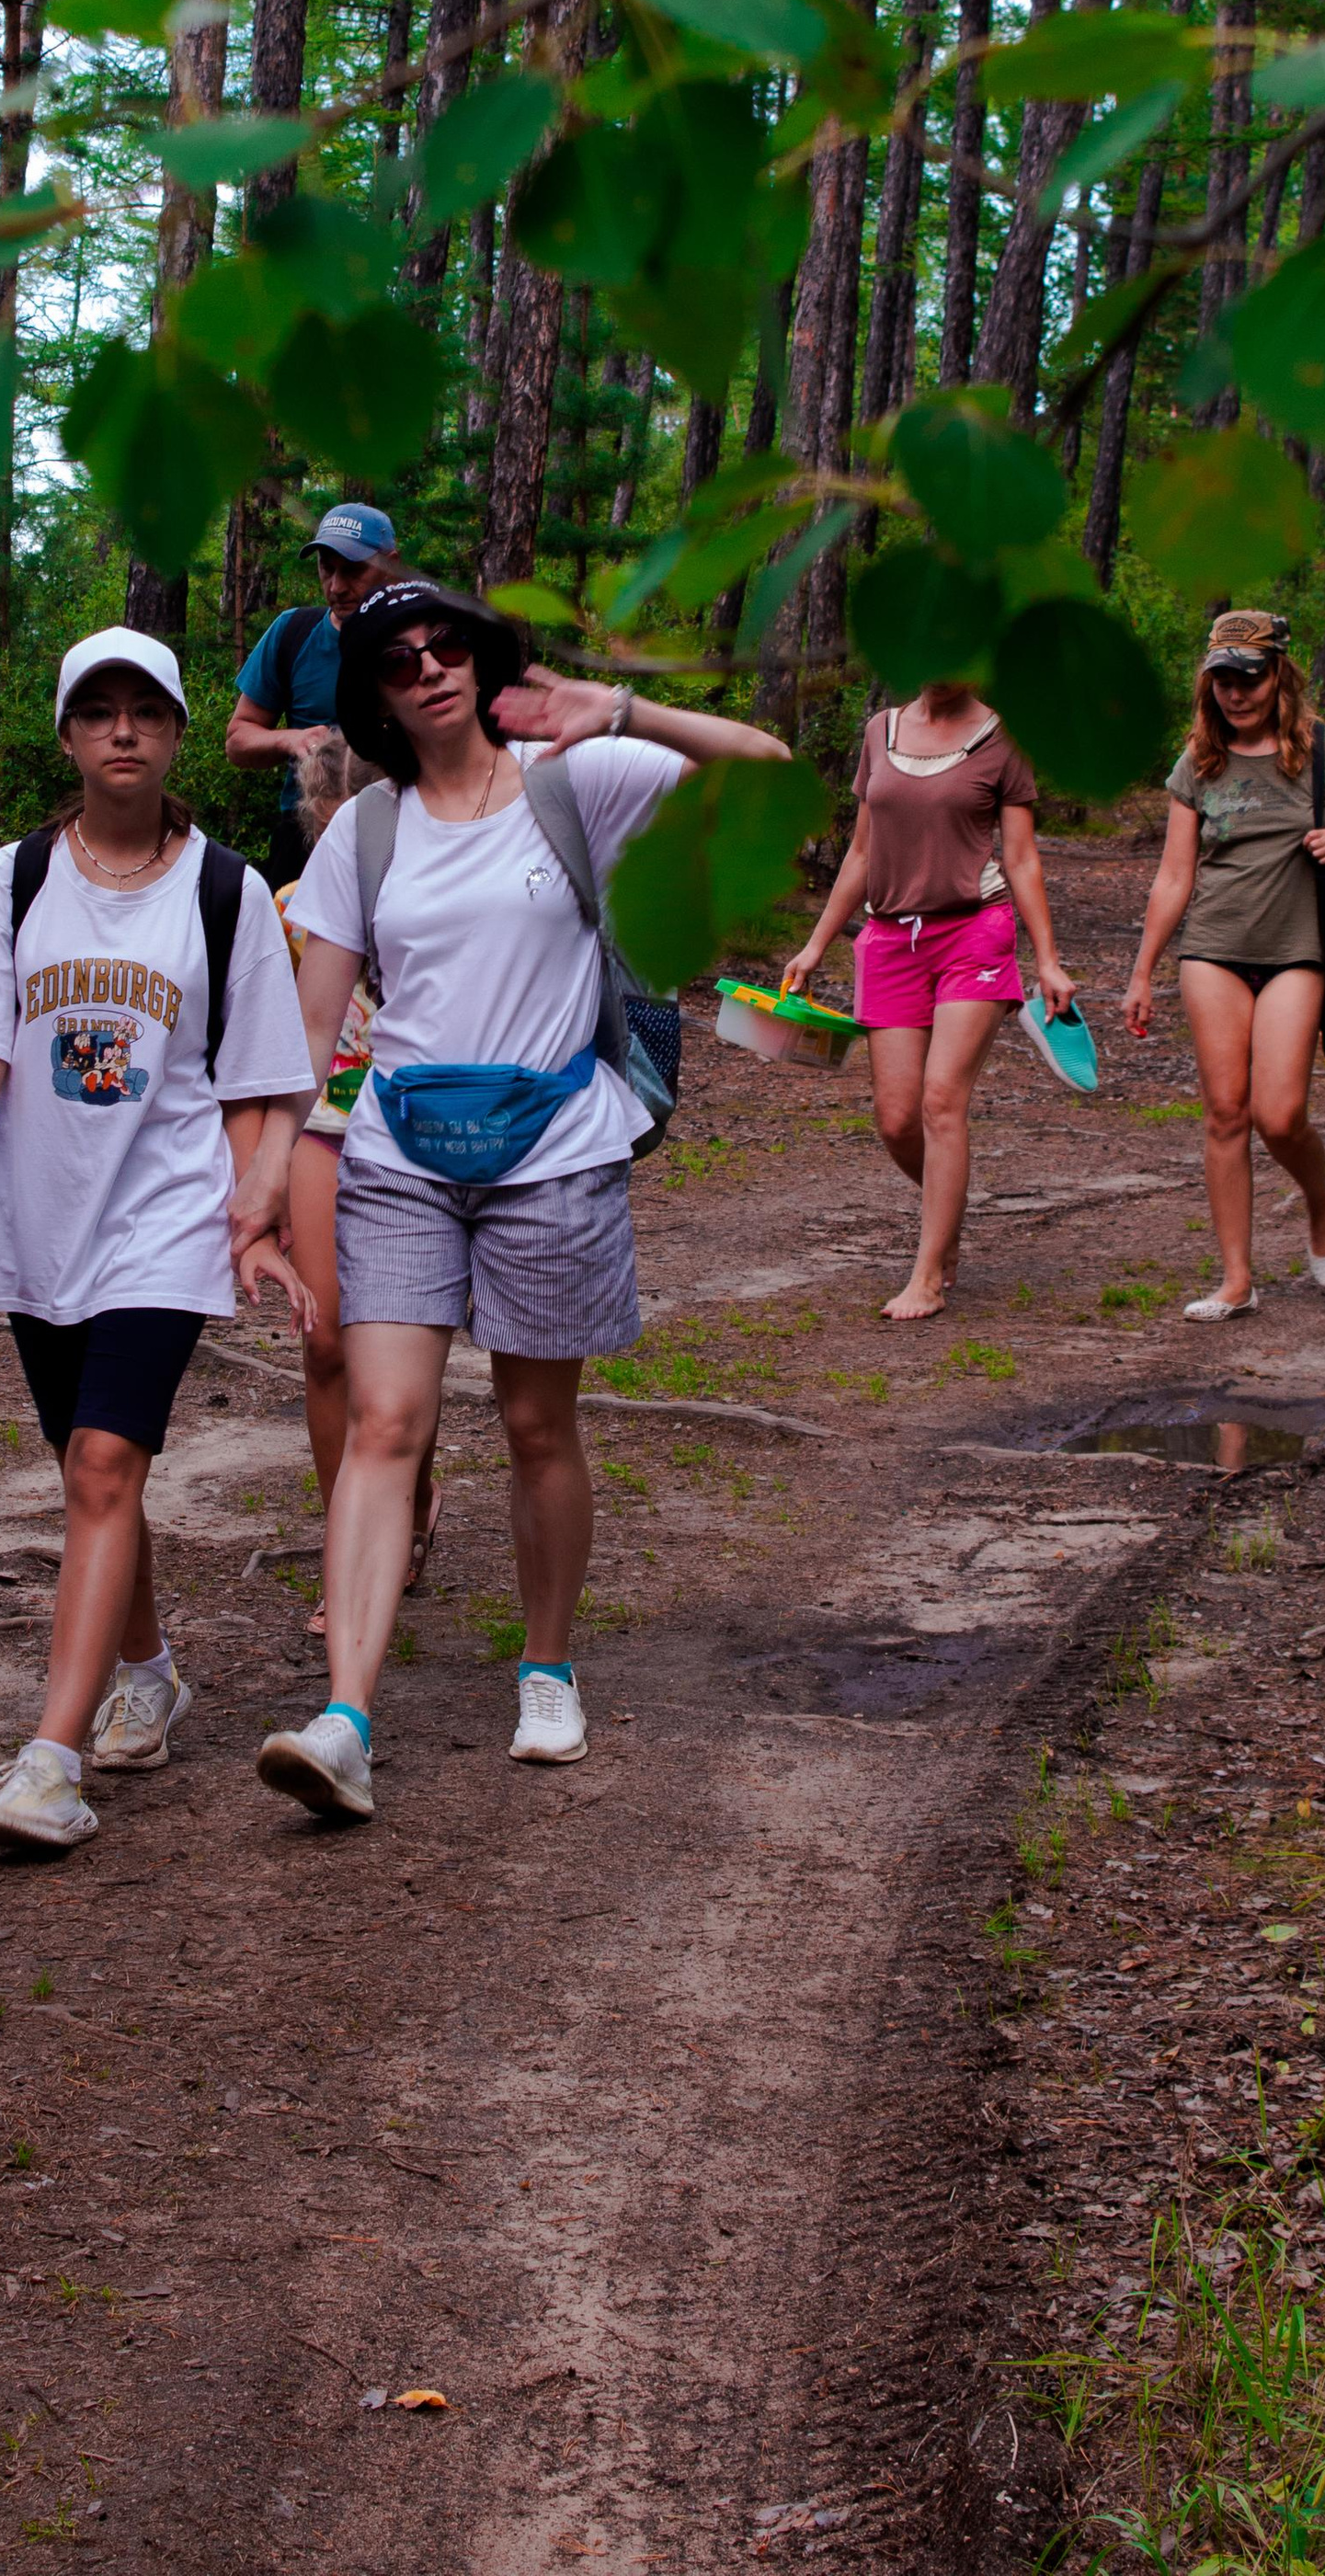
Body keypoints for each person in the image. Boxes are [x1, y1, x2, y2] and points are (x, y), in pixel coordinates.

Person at [256, 580, 794, 1825]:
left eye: (449, 647)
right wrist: (266, 1183)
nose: (429, 668)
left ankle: (546, 1668)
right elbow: (313, 1027)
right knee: (385, 1424)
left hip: (553, 1148)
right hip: (399, 1156)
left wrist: (624, 709)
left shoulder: (578, 782)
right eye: (399, 660)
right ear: (376, 696)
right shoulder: (364, 834)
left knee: (535, 1427)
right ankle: (346, 1719)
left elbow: (767, 769)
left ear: (486, 662)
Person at [0, 625, 316, 1854]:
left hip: (165, 1219)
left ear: (179, 732)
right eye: (100, 711)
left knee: (100, 1469)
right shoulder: (15, 879)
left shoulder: (227, 890)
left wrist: (256, 1211)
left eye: (147, 710)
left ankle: (48, 1764)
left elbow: (258, 1077)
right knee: (95, 1473)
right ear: (70, 735)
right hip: (40, 1220)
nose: (124, 729)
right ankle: (146, 1665)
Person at [1123, 609, 1325, 1321]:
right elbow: (1174, 877)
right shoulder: (1197, 762)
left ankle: (1318, 1197)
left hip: (1295, 953)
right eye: (1222, 680)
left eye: (1249, 677)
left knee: (1280, 1115)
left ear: (1280, 674)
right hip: (1213, 949)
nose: (1235, 693)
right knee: (1224, 1114)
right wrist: (1143, 970)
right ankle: (1237, 1281)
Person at [780, 680, 1076, 1322]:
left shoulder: (1002, 738)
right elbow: (862, 850)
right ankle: (949, 1218)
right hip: (890, 939)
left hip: (974, 929)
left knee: (942, 1101)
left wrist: (1047, 960)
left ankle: (928, 1277)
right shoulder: (880, 730)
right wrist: (814, 944)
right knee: (896, 1119)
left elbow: (1022, 859)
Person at [276, 732, 439, 1640]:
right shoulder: (288, 906)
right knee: (327, 1343)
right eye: (331, 834)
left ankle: (410, 1499)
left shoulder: (439, 895)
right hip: (325, 1128)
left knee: (403, 1342)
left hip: (420, 1130)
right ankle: (349, 1551)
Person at [228, 501, 403, 893]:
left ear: (391, 565)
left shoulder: (422, 644)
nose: (336, 586)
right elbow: (238, 741)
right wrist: (290, 739)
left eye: (353, 570)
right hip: (306, 832)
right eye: (327, 568)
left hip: (404, 827)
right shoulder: (292, 633)